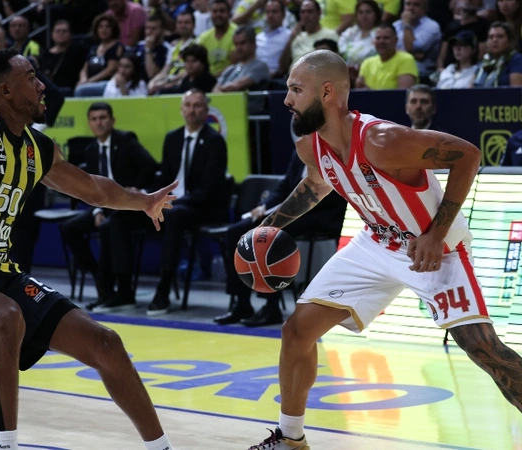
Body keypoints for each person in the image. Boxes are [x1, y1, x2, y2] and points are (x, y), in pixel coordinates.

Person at [247, 48, 522, 450]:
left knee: (483, 348)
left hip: (436, 247)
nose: (287, 99)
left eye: (295, 90)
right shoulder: (311, 147)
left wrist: (435, 234)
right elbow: (316, 184)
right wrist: (269, 226)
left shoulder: (382, 140)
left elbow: (468, 155)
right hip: (376, 243)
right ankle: (290, 439)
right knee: (297, 331)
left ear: (327, 92)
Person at [0, 47, 177, 450]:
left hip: (0, 271)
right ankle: (6, 446)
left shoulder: (36, 148)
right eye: (31, 78)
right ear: (5, 91)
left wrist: (143, 201)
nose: (42, 86)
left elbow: (93, 189)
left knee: (106, 343)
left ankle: (161, 448)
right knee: (6, 319)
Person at [107, 89, 228, 316]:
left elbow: (209, 189)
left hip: (201, 208)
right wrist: (144, 194)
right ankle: (123, 291)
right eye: (188, 105)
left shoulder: (215, 141)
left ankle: (163, 290)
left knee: (173, 214)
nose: (192, 110)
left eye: (197, 106)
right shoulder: (172, 138)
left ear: (206, 111)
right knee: (120, 216)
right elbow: (163, 178)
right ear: (181, 109)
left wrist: (171, 201)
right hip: (171, 205)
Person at [214, 151, 347, 327]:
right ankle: (242, 303)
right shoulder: (301, 149)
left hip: (321, 215)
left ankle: (271, 307)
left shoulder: (333, 151)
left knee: (270, 235)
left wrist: (283, 213)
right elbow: (284, 187)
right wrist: (265, 207)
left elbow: (331, 195)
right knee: (236, 232)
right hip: (295, 211)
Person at [61, 101, 158, 311]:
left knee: (111, 225)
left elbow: (150, 166)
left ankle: (124, 292)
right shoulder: (90, 149)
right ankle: (100, 279)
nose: (99, 123)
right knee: (69, 228)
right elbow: (90, 186)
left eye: (103, 118)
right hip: (104, 205)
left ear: (112, 120)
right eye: (94, 119)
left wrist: (137, 189)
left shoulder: (126, 140)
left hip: (130, 204)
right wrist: (96, 210)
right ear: (89, 123)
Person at [356, 23, 419, 89]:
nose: (381, 41)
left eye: (386, 38)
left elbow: (403, 92)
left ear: (395, 40)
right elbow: (360, 91)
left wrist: (369, 91)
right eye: (378, 38)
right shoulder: (367, 63)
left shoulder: (406, 59)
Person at [474, 21, 522, 86]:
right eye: (491, 37)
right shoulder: (484, 62)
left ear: (510, 40)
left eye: (500, 36)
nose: (495, 40)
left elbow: (516, 90)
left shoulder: (517, 60)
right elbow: (471, 88)